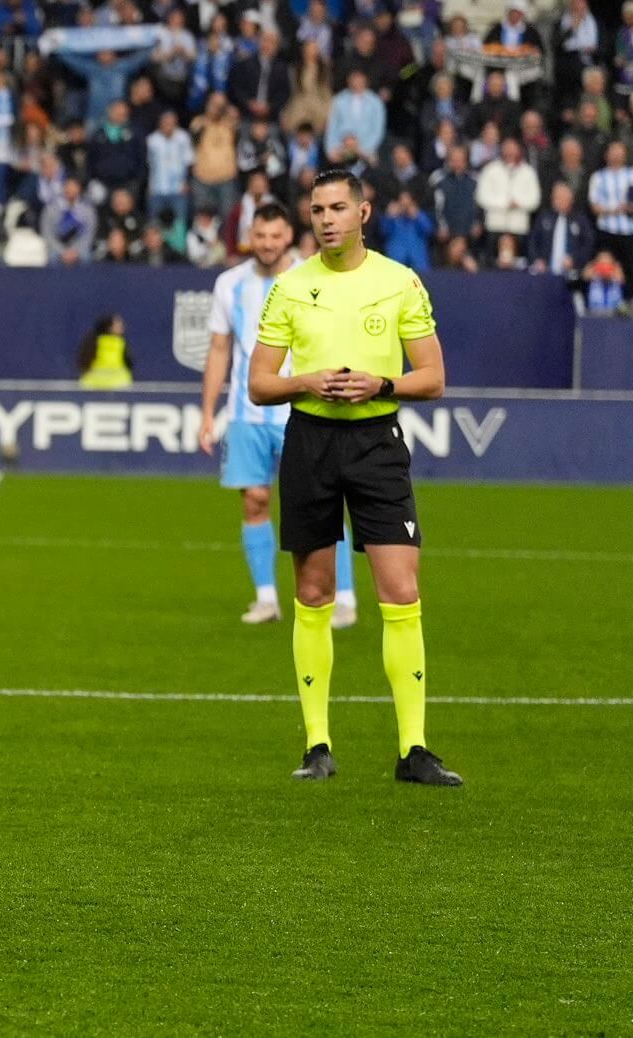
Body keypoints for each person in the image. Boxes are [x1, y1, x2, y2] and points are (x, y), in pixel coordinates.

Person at [248, 169, 461, 787]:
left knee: (400, 590)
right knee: (313, 594)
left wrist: (380, 383)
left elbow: (433, 378)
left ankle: (414, 750)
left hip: (376, 442)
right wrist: (304, 381)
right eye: (317, 209)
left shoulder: (399, 282)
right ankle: (318, 745)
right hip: (310, 440)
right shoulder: (290, 287)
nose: (326, 219)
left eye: (338, 207)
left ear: (364, 213)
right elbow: (260, 383)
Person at [199, 203, 358, 628]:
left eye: (275, 236)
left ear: (289, 235)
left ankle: (343, 597)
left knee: (322, 503)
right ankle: (266, 597)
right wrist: (207, 413)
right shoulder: (228, 284)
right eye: (260, 236)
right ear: (251, 236)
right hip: (246, 412)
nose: (267, 244)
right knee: (254, 501)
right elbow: (219, 349)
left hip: (305, 410)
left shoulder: (314, 278)